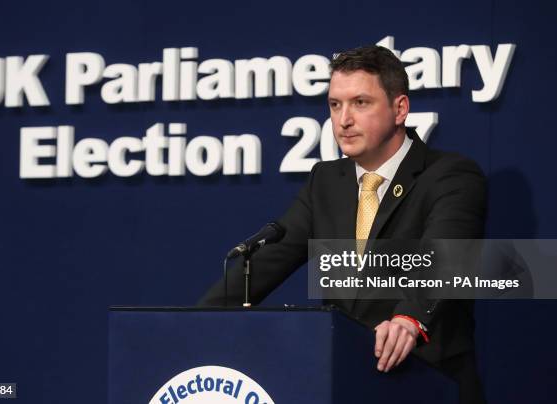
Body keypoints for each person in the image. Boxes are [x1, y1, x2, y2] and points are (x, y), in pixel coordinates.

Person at [199, 45, 487, 404]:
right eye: (335, 105)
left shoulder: (449, 176)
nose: (343, 119)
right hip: (347, 383)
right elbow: (269, 260)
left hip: (426, 383)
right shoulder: (326, 180)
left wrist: (409, 319)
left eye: (360, 103)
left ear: (400, 109)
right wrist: (194, 326)